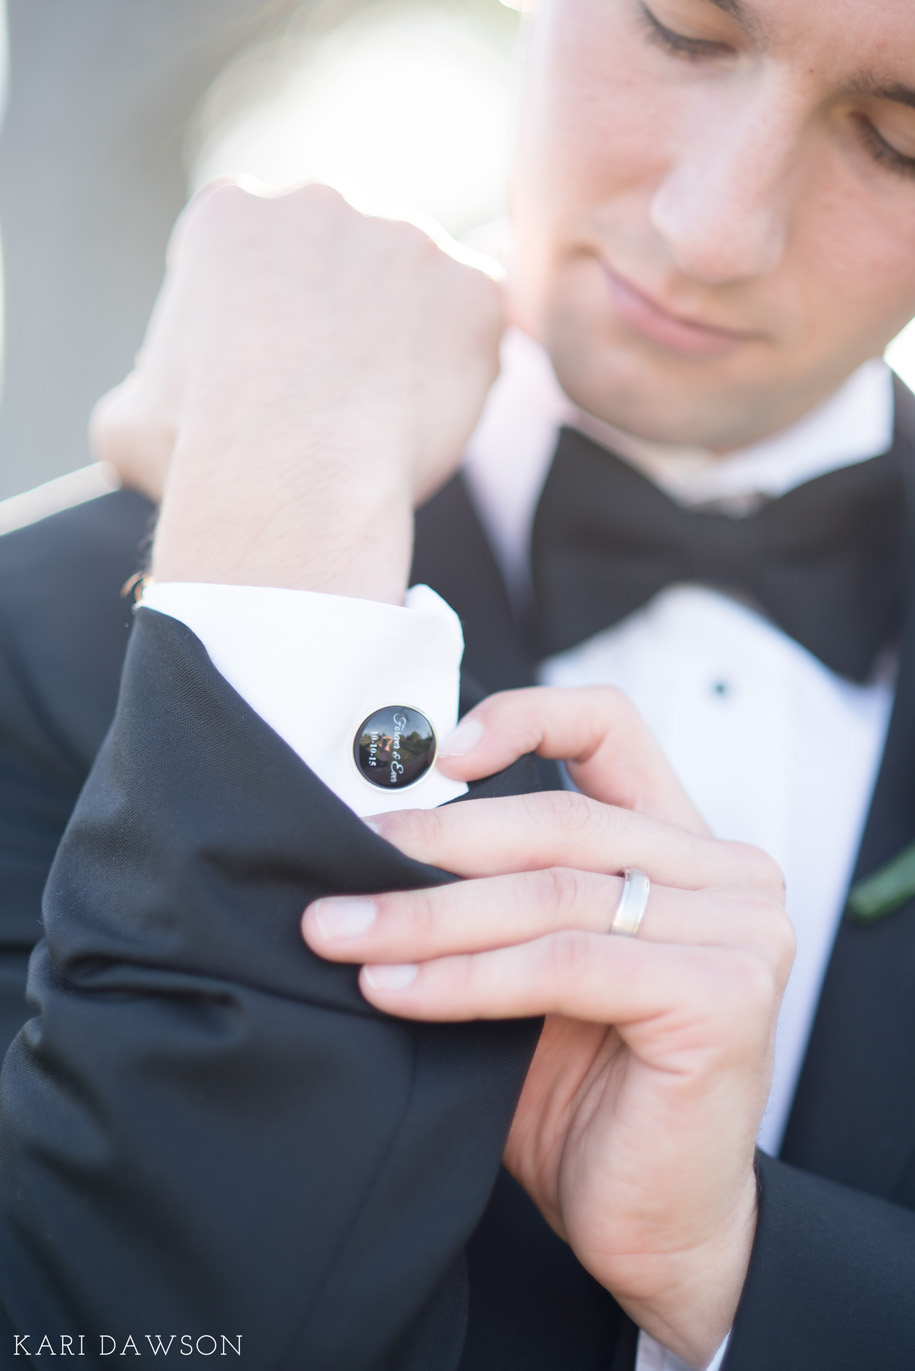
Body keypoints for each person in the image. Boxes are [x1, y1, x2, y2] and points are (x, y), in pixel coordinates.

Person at [2, 0, 915, 1367]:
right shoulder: (33, 628)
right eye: (680, 29)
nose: (714, 228)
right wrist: (284, 562)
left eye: (904, 141)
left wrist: (739, 1270)